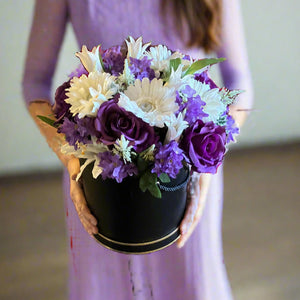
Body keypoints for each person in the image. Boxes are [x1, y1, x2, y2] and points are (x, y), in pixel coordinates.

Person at [22, 0, 253, 299]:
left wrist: (207, 159)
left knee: (192, 286)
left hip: (185, 177)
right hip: (98, 177)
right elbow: (34, 83)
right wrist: (69, 158)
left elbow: (240, 83)